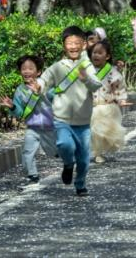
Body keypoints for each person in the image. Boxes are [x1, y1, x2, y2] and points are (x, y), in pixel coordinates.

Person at [32, 26, 103, 196]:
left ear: (83, 45)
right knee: (64, 144)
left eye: (77, 43)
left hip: (83, 122)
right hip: (61, 119)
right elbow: (44, 80)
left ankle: (80, 184)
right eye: (69, 43)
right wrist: (39, 86)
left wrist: (86, 79)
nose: (73, 46)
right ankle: (68, 164)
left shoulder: (87, 66)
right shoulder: (58, 66)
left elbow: (96, 85)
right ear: (64, 45)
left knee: (84, 160)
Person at [0, 55, 57, 188]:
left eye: (30, 68)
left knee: (55, 151)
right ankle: (32, 176)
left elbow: (57, 97)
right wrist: (12, 106)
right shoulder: (20, 91)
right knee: (27, 151)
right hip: (33, 127)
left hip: (50, 126)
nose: (26, 71)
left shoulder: (44, 85)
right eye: (23, 68)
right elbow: (20, 113)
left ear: (39, 72)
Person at [88, 40, 129, 164]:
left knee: (108, 132)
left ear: (107, 56)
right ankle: (97, 153)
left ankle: (101, 150)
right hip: (92, 107)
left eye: (100, 53)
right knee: (96, 132)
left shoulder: (113, 73)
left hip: (108, 107)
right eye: (94, 52)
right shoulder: (87, 71)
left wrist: (121, 99)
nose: (96, 55)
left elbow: (119, 88)